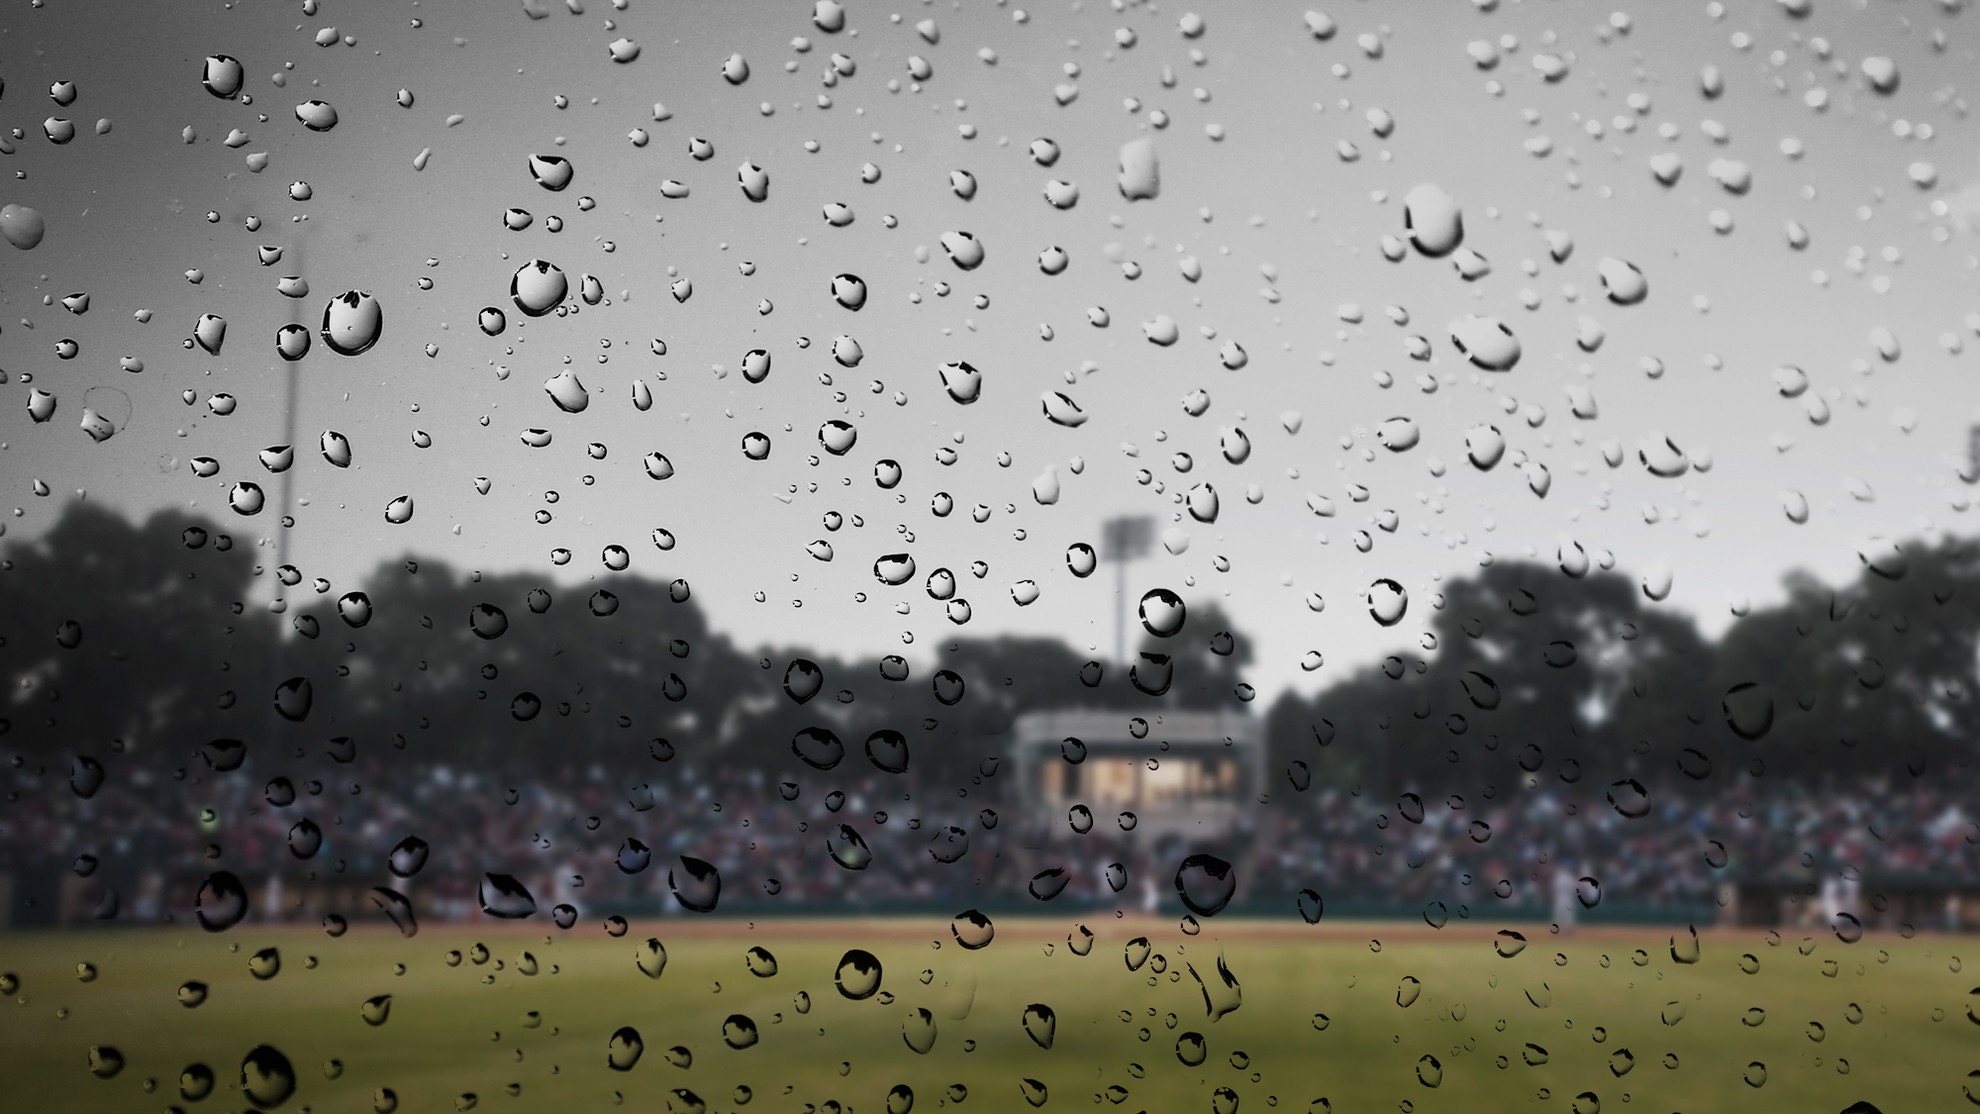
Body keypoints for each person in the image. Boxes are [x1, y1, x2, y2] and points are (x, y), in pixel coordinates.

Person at [1551, 861, 1577, 936]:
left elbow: (1554, 890)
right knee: (1569, 916)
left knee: (1558, 915)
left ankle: (1556, 931)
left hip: (1560, 898)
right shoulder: (1570, 877)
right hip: (1568, 898)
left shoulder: (1558, 877)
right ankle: (1570, 931)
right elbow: (1574, 890)